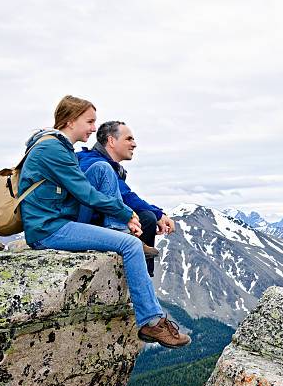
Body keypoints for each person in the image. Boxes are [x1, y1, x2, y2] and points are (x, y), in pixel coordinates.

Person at [19, 95, 190, 348]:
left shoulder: (56, 146)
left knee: (102, 169)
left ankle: (118, 232)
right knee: (130, 246)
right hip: (49, 228)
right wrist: (127, 214)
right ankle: (151, 323)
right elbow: (85, 193)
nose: (92, 128)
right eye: (89, 121)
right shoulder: (52, 148)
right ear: (70, 121)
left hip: (57, 217)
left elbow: (90, 188)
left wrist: (124, 216)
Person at [76, 121, 176, 277]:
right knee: (147, 218)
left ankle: (142, 276)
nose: (134, 144)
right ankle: (138, 273)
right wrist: (158, 214)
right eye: (129, 139)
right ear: (111, 141)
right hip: (83, 223)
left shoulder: (105, 163)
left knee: (146, 218)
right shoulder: (95, 162)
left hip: (96, 218)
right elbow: (125, 196)